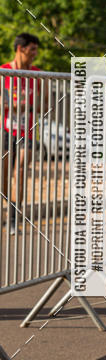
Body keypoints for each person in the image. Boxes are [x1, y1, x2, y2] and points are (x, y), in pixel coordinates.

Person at [1, 33, 41, 235]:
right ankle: (9, 202)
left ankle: (14, 218)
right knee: (4, 174)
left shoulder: (37, 74)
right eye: (32, 49)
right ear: (20, 48)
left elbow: (43, 104)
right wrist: (11, 105)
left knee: (22, 171)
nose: (35, 53)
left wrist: (32, 105)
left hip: (29, 130)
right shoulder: (4, 71)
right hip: (6, 128)